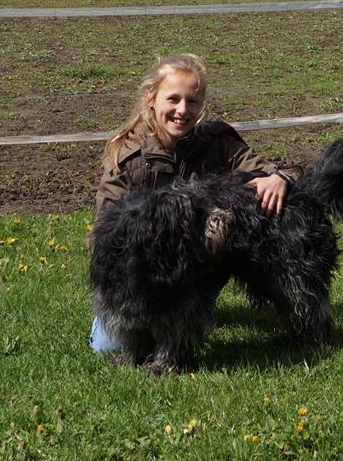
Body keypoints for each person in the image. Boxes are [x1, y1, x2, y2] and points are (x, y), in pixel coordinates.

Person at [87, 52, 299, 352]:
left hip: (200, 265)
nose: (182, 110)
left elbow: (271, 171)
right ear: (151, 98)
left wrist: (280, 179)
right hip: (143, 274)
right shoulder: (129, 158)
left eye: (192, 101)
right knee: (109, 347)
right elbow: (103, 233)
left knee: (182, 324)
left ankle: (190, 314)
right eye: (172, 99)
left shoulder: (218, 142)